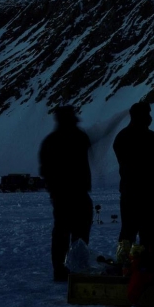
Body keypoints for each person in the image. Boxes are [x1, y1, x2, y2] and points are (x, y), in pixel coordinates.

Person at [38, 105, 93, 282]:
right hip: (75, 193)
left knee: (62, 233)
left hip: (61, 195)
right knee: (79, 233)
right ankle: (76, 267)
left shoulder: (51, 141)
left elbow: (44, 170)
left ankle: (61, 269)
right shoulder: (78, 137)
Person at [113, 101, 154, 262]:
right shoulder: (151, 138)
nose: (150, 118)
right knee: (148, 233)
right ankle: (146, 264)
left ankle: (124, 264)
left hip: (129, 192)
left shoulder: (122, 137)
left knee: (128, 231)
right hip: (148, 193)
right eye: (148, 115)